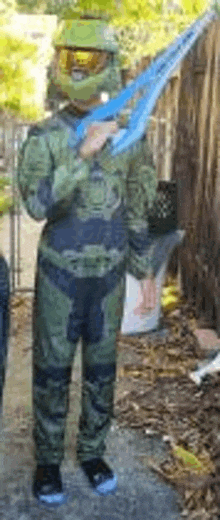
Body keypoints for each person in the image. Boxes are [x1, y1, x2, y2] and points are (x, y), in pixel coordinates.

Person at [17, 15, 165, 507]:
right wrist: (83, 153)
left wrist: (145, 266)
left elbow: (142, 199)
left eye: (90, 59)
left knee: (103, 371)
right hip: (61, 273)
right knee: (52, 372)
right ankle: (47, 460)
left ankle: (93, 451)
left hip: (108, 276)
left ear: (110, 65)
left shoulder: (129, 134)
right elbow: (37, 206)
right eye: (70, 59)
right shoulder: (43, 137)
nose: (79, 70)